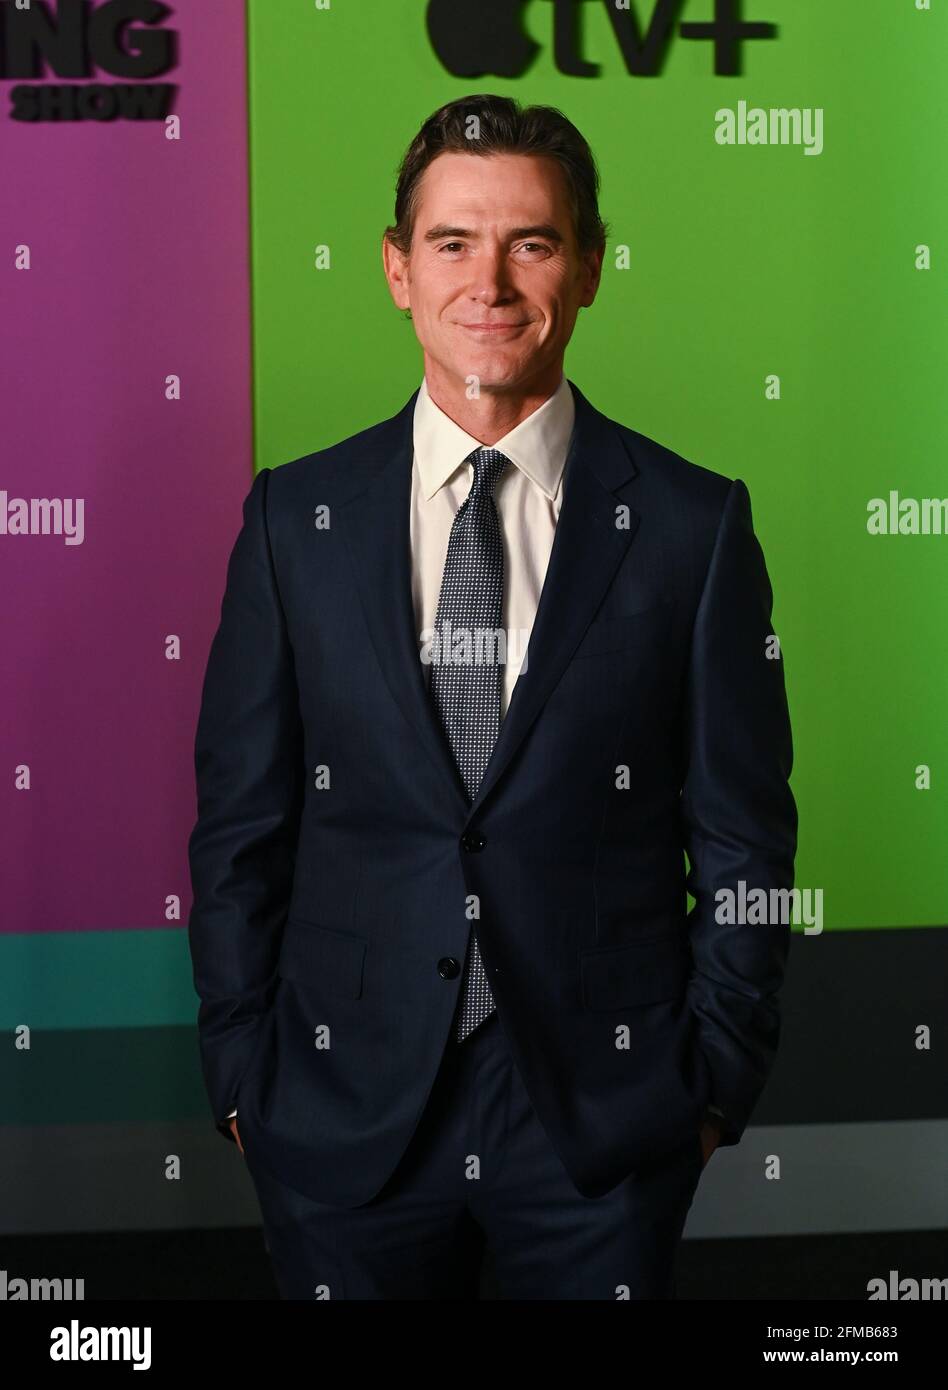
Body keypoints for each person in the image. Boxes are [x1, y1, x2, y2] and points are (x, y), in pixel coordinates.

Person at [187, 93, 797, 1300]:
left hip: (599, 1126)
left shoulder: (692, 524)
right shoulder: (294, 523)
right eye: (454, 242)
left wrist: (713, 1087)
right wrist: (242, 1075)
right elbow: (241, 832)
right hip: (341, 1112)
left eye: (533, 242)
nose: (493, 282)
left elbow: (744, 837)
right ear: (397, 270)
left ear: (588, 269)